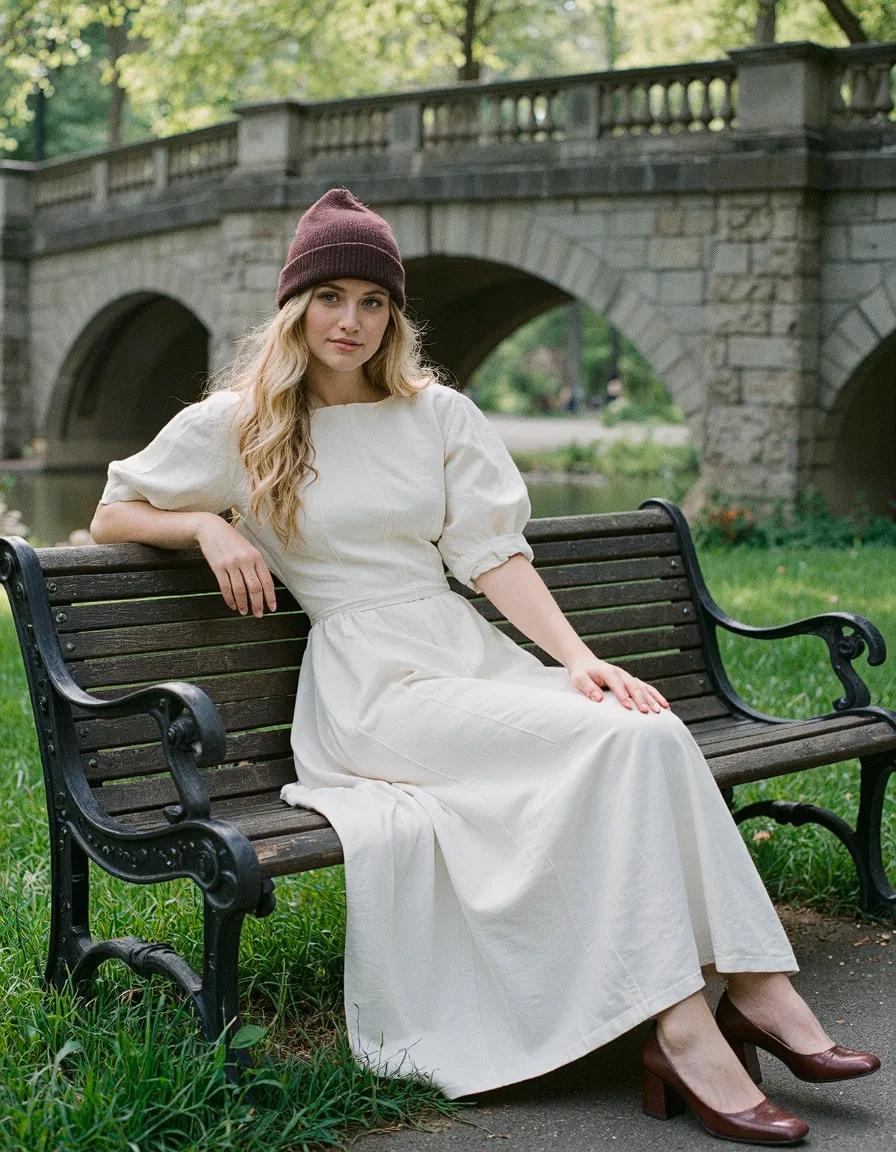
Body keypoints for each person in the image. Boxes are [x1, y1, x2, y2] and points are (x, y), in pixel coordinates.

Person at [91, 187, 880, 1144]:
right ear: (296, 305)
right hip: (372, 687)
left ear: (396, 314)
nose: (353, 321)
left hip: (461, 650)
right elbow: (114, 512)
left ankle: (754, 985)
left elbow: (492, 555)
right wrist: (208, 525)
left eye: (374, 301)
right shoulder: (243, 423)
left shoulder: (439, 415)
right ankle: (685, 1023)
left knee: (644, 726)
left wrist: (580, 660)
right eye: (332, 296)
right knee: (619, 748)